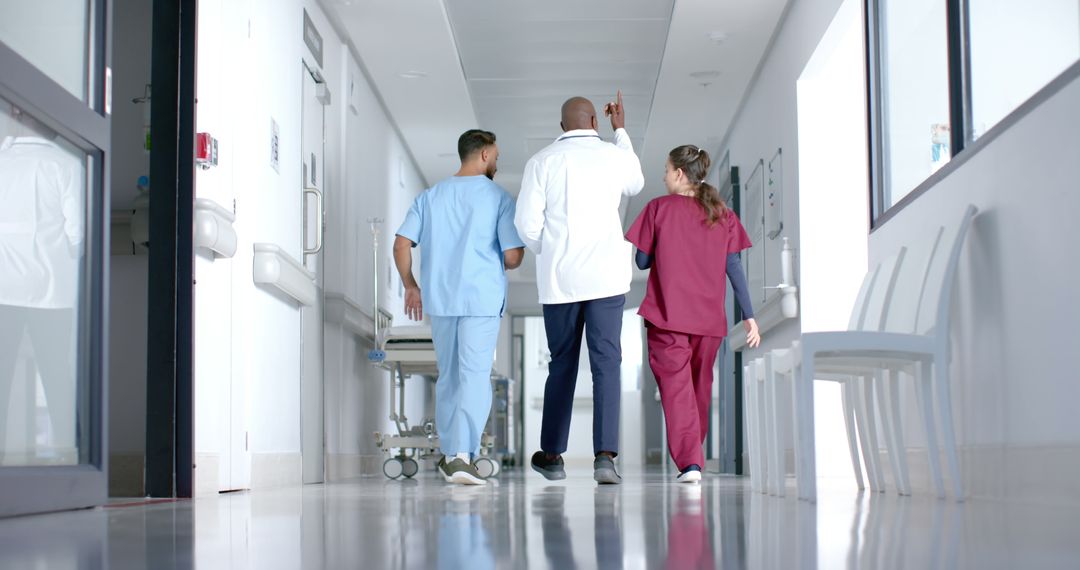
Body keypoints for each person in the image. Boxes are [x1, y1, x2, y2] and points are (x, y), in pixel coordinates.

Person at [515, 91, 645, 484]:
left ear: (560, 127)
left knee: (563, 365)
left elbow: (525, 225)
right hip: (606, 278)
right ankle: (605, 456)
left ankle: (552, 455)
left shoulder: (541, 161)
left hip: (560, 282)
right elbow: (636, 183)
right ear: (594, 123)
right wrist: (620, 129)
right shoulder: (612, 154)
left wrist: (549, 249)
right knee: (607, 363)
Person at [393, 129, 525, 485]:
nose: (497, 162)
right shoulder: (499, 199)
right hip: (480, 299)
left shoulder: (430, 197)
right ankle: (464, 456)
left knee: (450, 376)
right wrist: (512, 254)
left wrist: (411, 286)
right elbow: (512, 256)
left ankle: (452, 454)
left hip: (441, 299)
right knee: (475, 375)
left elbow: (401, 243)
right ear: (484, 155)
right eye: (495, 155)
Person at [625, 145, 760, 484]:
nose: (663, 176)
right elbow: (734, 267)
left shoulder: (657, 208)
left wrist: (665, 246)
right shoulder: (722, 214)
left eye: (667, 170)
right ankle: (692, 458)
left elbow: (641, 262)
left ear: (680, 174)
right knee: (699, 388)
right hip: (709, 321)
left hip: (667, 316)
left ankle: (691, 463)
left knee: (676, 389)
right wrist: (749, 315)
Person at [0, 105, 84, 465]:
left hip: (3, 290)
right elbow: (78, 236)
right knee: (57, 378)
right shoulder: (66, 166)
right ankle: (71, 458)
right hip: (52, 292)